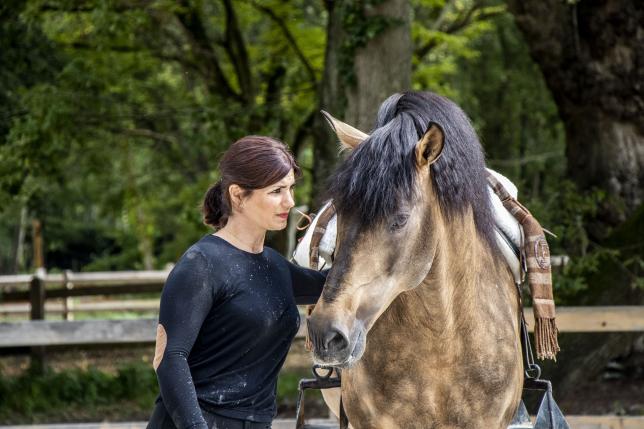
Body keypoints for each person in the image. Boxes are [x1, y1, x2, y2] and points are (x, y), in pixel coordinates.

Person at [146, 136, 328, 429]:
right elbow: (169, 359)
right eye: (276, 191)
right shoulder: (201, 264)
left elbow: (336, 286)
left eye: (291, 188)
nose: (290, 201)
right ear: (238, 195)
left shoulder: (275, 266)